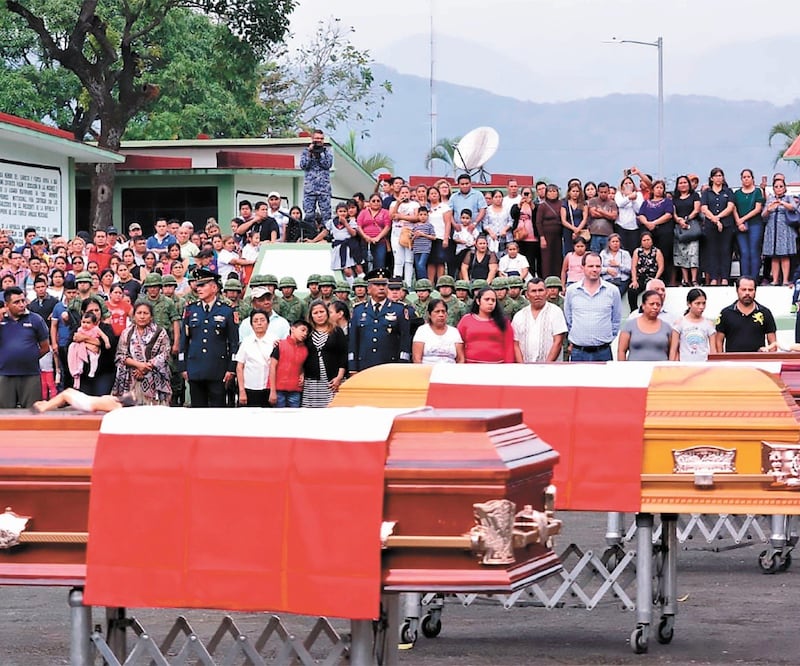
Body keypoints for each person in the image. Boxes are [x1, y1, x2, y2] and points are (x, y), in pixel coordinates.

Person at [178, 268, 239, 407]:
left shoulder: (226, 310)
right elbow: (184, 340)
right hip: (195, 369)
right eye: (198, 285)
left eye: (202, 285)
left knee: (217, 411)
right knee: (198, 410)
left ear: (214, 288)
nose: (198, 289)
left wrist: (231, 368)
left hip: (218, 369)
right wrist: (183, 366)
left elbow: (233, 343)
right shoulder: (191, 310)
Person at [348, 269, 411, 372]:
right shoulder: (358, 310)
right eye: (377, 285)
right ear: (369, 289)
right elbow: (353, 341)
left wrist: (403, 365)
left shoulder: (399, 309)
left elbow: (404, 340)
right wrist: (352, 368)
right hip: (364, 366)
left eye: (384, 285)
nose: (381, 288)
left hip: (390, 367)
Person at [564, 252, 621, 362]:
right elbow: (568, 319)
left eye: (598, 266)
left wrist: (606, 338)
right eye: (590, 266)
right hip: (578, 352)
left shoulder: (612, 291)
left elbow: (616, 320)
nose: (595, 269)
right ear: (583, 267)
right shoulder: (572, 291)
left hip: (603, 352)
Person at [112, 301, 172, 405]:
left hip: (154, 378)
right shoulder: (126, 333)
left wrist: (145, 368)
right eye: (139, 313)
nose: (142, 316)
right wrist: (139, 365)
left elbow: (165, 354)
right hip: (131, 378)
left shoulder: (160, 332)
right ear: (134, 316)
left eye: (145, 313)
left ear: (151, 317)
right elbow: (120, 355)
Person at [0, 286, 50, 408]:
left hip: (30, 374)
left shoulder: (36, 319)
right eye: (16, 302)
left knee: (32, 412)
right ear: (6, 305)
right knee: (5, 413)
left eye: (23, 300)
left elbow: (45, 347)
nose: (22, 305)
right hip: (4, 374)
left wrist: (29, 357)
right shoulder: (1, 320)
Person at [512, 278, 568, 363]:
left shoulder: (556, 312)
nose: (537, 294)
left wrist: (546, 365)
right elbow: (515, 344)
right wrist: (522, 366)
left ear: (546, 292)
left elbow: (558, 341)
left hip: (551, 367)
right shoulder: (519, 316)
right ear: (527, 294)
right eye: (533, 291)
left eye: (540, 290)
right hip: (525, 367)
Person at [715, 277, 777, 352]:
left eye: (750, 290)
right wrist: (721, 358)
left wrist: (771, 357)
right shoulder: (726, 313)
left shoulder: (765, 313)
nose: (747, 293)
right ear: (737, 290)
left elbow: (773, 343)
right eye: (743, 289)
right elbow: (718, 341)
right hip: (732, 359)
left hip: (758, 359)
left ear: (755, 291)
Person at [304, 300, 348, 406]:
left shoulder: (337, 331)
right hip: (312, 381)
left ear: (327, 313)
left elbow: (343, 355)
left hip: (333, 379)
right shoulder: (307, 332)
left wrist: (339, 377)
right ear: (311, 316)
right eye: (315, 313)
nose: (319, 315)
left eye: (322, 312)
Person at [457, 287, 515, 363]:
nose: (490, 303)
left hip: (497, 366)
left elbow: (509, 346)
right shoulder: (466, 320)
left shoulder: (504, 322)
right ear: (478, 301)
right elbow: (458, 343)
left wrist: (508, 366)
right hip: (470, 366)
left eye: (493, 300)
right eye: (487, 299)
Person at [700, 167, 736, 285]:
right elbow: (704, 208)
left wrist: (718, 217)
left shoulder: (728, 192)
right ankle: (714, 277)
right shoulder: (707, 193)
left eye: (720, 175)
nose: (718, 178)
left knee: (725, 250)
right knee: (712, 251)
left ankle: (725, 277)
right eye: (716, 176)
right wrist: (714, 220)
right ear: (711, 178)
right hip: (711, 226)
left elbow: (730, 207)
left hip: (726, 225)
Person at [234, 309, 276, 408]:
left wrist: (273, 391)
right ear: (251, 325)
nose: (259, 323)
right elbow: (239, 367)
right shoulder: (246, 342)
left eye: (262, 320)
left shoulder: (275, 341)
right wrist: (241, 391)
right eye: (255, 321)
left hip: (268, 388)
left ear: (268, 323)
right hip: (249, 388)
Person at [636, 179, 675, 284]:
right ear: (652, 190)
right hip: (648, 232)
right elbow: (641, 215)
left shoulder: (667, 201)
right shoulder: (646, 202)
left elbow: (668, 215)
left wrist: (654, 223)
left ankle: (665, 280)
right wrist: (647, 223)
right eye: (657, 187)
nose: (659, 190)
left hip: (663, 233)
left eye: (661, 188)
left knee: (664, 256)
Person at [761, 177, 798, 285]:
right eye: (776, 186)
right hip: (772, 229)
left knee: (784, 255)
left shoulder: (788, 197)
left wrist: (781, 203)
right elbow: (763, 215)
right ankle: (775, 280)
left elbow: (794, 207)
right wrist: (769, 209)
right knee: (774, 255)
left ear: (785, 188)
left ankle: (785, 280)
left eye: (781, 186)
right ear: (773, 188)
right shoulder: (770, 199)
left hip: (785, 229)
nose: (778, 188)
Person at [617, 290, 672, 361]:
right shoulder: (629, 325)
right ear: (643, 305)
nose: (655, 307)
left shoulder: (667, 327)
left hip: (660, 367)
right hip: (635, 367)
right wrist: (622, 367)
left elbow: (672, 351)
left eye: (658, 305)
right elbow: (621, 351)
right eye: (652, 304)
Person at [733, 169, 766, 282]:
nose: (746, 179)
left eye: (748, 177)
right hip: (740, 226)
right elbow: (734, 208)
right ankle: (744, 279)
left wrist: (742, 219)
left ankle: (754, 279)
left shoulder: (757, 191)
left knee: (754, 251)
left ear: (752, 178)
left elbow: (758, 209)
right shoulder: (737, 193)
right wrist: (738, 222)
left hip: (754, 224)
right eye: (744, 177)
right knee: (744, 252)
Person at [269, 320, 310, 407]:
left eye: (307, 332)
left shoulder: (305, 349)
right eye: (302, 330)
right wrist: (272, 391)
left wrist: (302, 374)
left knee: (295, 414)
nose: (305, 334)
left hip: (295, 389)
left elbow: (302, 366)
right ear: (292, 329)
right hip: (279, 389)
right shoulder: (280, 345)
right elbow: (272, 367)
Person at [412, 298, 465, 364]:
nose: (441, 315)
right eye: (437, 311)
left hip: (450, 369)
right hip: (427, 369)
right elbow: (417, 359)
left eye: (443, 311)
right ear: (429, 314)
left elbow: (460, 359)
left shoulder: (454, 332)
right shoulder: (422, 331)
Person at [670, 288, 716, 362]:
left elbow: (713, 350)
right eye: (697, 303)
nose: (701, 307)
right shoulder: (679, 323)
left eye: (703, 303)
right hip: (685, 365)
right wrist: (671, 365)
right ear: (689, 304)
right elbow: (673, 350)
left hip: (703, 365)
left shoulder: (708, 324)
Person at [672, 175, 702, 287]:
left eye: (685, 182)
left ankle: (693, 279)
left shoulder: (695, 195)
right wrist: (679, 220)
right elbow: (673, 213)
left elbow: (696, 210)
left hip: (692, 226)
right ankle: (685, 280)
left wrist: (687, 219)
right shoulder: (674, 198)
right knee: (681, 253)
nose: (683, 185)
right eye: (680, 183)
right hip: (679, 228)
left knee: (693, 252)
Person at [67, 311, 110, 389]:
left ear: (94, 323)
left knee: (93, 358)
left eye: (88, 323)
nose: (85, 325)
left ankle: (92, 371)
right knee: (78, 355)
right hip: (83, 348)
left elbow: (104, 336)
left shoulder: (96, 329)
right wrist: (84, 344)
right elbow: (75, 339)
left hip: (93, 349)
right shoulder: (80, 329)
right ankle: (79, 369)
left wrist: (107, 343)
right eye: (83, 322)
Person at [300, 129, 333, 224]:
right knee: (309, 215)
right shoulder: (306, 152)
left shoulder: (327, 152)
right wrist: (310, 153)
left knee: (326, 215)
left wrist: (319, 155)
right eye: (317, 138)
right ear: (312, 139)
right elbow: (303, 165)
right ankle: (310, 232)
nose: (319, 140)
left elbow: (328, 165)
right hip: (310, 190)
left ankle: (326, 232)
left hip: (324, 190)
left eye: (321, 139)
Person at [509, 187, 541, 277]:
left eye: (528, 193)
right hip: (519, 237)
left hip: (532, 238)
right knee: (520, 260)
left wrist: (531, 204)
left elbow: (537, 215)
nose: (526, 195)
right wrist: (520, 205)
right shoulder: (516, 206)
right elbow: (513, 215)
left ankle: (531, 278)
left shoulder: (536, 206)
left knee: (531, 260)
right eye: (524, 193)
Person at [629, 231, 664, 311]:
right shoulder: (637, 251)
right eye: (644, 240)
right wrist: (634, 280)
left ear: (652, 241)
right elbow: (633, 267)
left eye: (648, 240)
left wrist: (655, 279)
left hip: (653, 277)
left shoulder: (657, 251)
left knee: (652, 292)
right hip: (640, 277)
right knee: (632, 290)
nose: (646, 242)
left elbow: (661, 267)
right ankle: (634, 311)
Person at [357, 194, 392, 271]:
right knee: (366, 263)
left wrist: (377, 238)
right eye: (373, 201)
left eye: (378, 201)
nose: (376, 203)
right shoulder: (363, 212)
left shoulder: (385, 212)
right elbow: (359, 226)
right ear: (369, 202)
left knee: (380, 264)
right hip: (366, 242)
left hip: (380, 242)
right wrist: (365, 237)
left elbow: (387, 226)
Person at [31, 388, 136, 413]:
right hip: (88, 399)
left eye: (128, 395)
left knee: (65, 395)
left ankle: (44, 407)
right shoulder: (115, 400)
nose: (126, 393)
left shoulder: (117, 406)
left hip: (88, 404)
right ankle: (48, 403)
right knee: (69, 390)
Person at [536, 184, 562, 278]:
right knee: (547, 259)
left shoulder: (561, 204)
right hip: (546, 236)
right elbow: (538, 222)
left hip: (559, 236)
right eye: (550, 191)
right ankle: (546, 279)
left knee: (558, 258)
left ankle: (558, 279)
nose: (552, 193)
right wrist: (542, 237)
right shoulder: (543, 206)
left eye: (554, 191)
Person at [585, 182, 619, 253]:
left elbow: (614, 216)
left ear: (608, 192)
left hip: (608, 234)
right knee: (594, 254)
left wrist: (601, 211)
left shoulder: (612, 203)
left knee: (607, 254)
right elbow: (593, 214)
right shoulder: (593, 201)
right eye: (601, 192)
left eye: (605, 192)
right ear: (598, 192)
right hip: (595, 233)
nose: (603, 194)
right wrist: (608, 214)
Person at [614, 174, 644, 253]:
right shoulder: (619, 194)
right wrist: (629, 197)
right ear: (622, 186)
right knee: (621, 249)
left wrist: (634, 200)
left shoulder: (638, 194)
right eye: (626, 183)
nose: (628, 185)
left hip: (634, 227)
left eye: (630, 183)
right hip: (621, 226)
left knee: (633, 249)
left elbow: (639, 210)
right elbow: (620, 204)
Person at [599, 233, 631, 297]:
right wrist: (607, 270)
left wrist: (618, 265)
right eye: (613, 241)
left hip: (621, 280)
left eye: (617, 241)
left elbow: (630, 269)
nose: (615, 243)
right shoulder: (603, 253)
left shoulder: (625, 253)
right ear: (609, 243)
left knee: (615, 295)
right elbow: (598, 268)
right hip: (607, 279)